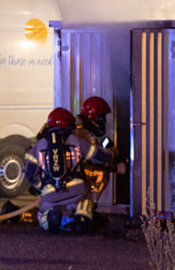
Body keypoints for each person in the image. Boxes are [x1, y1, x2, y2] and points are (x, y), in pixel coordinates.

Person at [25, 107, 111, 235]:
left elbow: (30, 175)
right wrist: (112, 152)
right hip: (77, 190)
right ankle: (82, 217)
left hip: (50, 195)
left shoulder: (38, 146)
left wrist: (42, 187)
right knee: (90, 191)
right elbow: (101, 157)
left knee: (41, 214)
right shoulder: (77, 141)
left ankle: (50, 218)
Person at [75, 96, 121, 230]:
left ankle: (84, 209)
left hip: (70, 175)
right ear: (97, 118)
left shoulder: (80, 128)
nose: (104, 122)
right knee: (102, 173)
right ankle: (87, 207)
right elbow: (97, 156)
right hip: (77, 174)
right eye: (103, 118)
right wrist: (113, 153)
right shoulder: (83, 132)